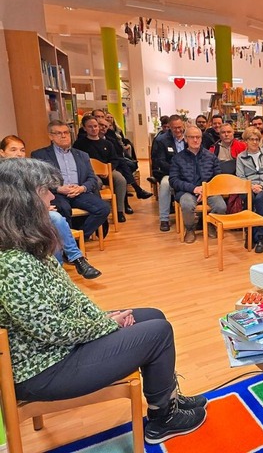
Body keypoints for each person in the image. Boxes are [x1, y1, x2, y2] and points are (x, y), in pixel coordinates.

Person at [0, 158, 208, 444]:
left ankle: (168, 398)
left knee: (153, 315)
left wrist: (104, 319)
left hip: (60, 348)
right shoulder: (13, 264)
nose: (52, 196)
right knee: (158, 334)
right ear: (22, 201)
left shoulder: (29, 247)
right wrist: (106, 326)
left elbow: (72, 298)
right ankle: (163, 419)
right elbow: (53, 330)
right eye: (45, 190)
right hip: (44, 369)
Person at [0, 136, 101, 279]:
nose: (19, 154)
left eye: (22, 150)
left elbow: (36, 196)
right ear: (2, 152)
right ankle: (62, 267)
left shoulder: (28, 172)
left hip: (32, 213)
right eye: (13, 149)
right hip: (8, 218)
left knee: (55, 219)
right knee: (52, 219)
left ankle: (71, 262)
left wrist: (41, 206)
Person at [32, 120, 111, 242]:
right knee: (62, 208)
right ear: (50, 136)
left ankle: (78, 239)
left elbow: (91, 178)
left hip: (79, 192)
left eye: (66, 132)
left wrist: (82, 188)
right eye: (58, 133)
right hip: (57, 194)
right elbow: (38, 179)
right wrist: (58, 188)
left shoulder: (82, 155)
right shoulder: (40, 155)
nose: (63, 136)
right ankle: (66, 243)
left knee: (103, 208)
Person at [169, 126, 226, 243]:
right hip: (187, 191)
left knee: (221, 206)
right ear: (185, 139)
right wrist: (194, 189)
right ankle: (190, 229)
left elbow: (218, 177)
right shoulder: (177, 158)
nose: (195, 140)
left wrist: (206, 190)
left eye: (198, 137)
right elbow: (173, 180)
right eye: (191, 137)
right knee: (187, 204)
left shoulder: (211, 157)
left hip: (209, 190)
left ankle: (211, 224)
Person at [236, 126, 263, 254]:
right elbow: (240, 176)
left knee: (259, 199)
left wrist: (262, 186)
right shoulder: (241, 157)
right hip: (248, 187)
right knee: (249, 199)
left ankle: (260, 237)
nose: (254, 142)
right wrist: (252, 186)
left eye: (257, 139)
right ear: (245, 141)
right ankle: (250, 233)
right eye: (251, 139)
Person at [152, 114, 185, 232]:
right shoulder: (162, 141)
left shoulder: (189, 138)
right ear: (169, 127)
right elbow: (160, 161)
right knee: (165, 185)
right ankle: (164, 219)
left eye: (180, 127)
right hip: (170, 172)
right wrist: (176, 171)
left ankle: (199, 217)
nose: (178, 130)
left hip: (188, 172)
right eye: (175, 128)